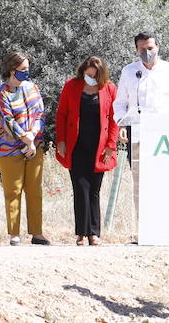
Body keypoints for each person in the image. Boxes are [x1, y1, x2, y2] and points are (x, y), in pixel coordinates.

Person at [114, 32, 169, 237]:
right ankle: (144, 231)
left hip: (165, 136)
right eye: (142, 49)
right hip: (137, 134)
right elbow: (120, 104)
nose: (147, 52)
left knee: (165, 182)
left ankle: (167, 230)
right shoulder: (129, 71)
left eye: (150, 48)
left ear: (158, 46)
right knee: (140, 184)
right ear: (136, 49)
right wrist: (121, 124)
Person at [55, 56, 120, 245]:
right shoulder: (71, 85)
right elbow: (61, 114)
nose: (90, 77)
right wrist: (61, 140)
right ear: (82, 71)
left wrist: (111, 145)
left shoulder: (109, 88)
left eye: (94, 75)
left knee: (94, 190)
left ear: (101, 75)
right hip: (76, 145)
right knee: (80, 188)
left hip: (99, 147)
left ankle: (94, 233)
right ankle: (81, 233)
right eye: (88, 73)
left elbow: (115, 119)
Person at [0, 52, 49, 246]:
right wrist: (25, 139)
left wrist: (32, 137)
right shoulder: (3, 92)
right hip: (9, 148)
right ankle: (14, 233)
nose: (27, 72)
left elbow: (40, 113)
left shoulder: (33, 87)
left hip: (34, 145)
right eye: (23, 69)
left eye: (27, 68)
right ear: (11, 70)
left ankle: (37, 233)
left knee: (34, 190)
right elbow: (7, 120)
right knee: (13, 191)